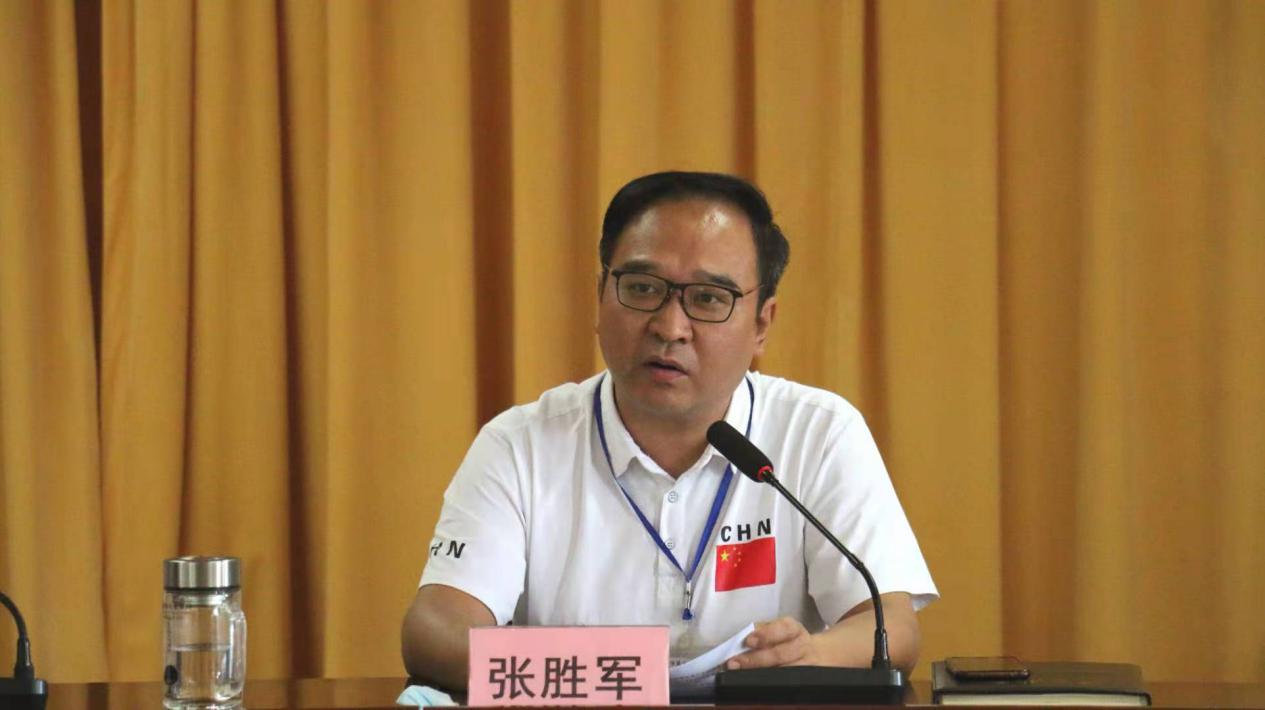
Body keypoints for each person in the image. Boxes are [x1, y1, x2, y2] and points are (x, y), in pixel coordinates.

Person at [401, 171, 937, 689]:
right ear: (600, 296)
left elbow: (889, 627)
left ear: (762, 324)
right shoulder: (520, 445)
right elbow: (437, 629)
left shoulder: (818, 433)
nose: (669, 327)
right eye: (642, 288)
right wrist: (613, 676)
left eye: (708, 299)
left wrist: (808, 656)